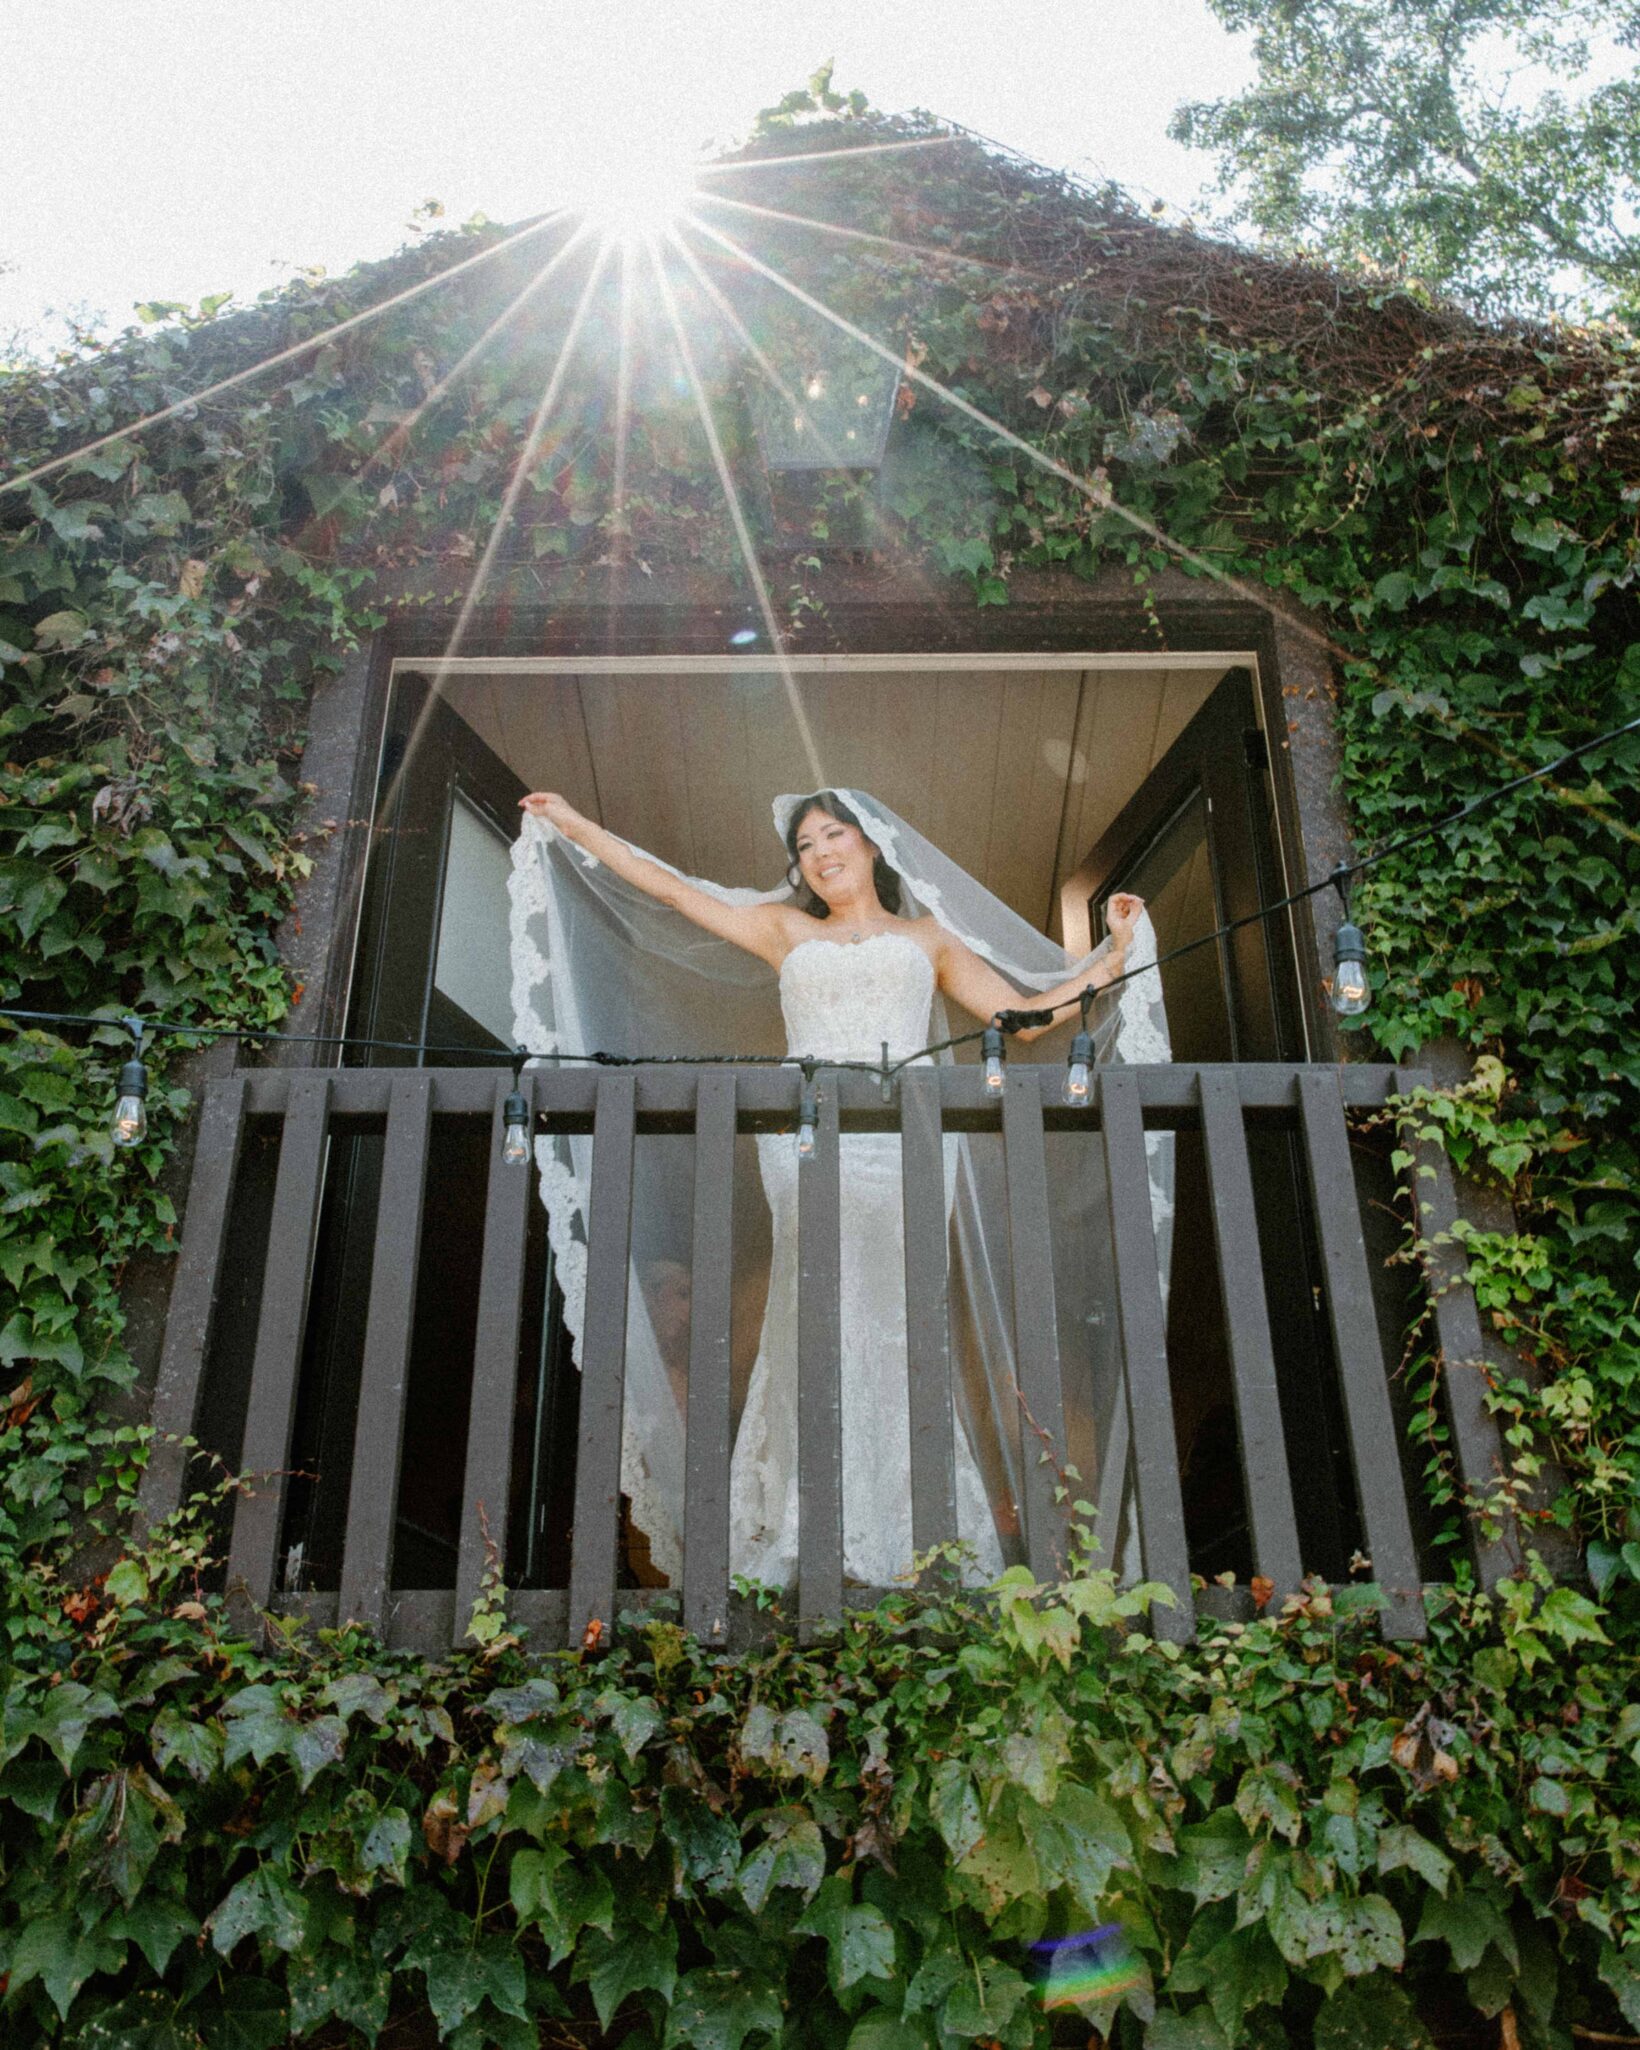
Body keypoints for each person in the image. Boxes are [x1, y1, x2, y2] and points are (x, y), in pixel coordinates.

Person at [517, 786, 1144, 1589]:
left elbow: (1020, 1016)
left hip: (909, 1148)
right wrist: (572, 823)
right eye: (806, 846)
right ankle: (804, 1527)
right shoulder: (784, 931)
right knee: (812, 1314)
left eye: (833, 834)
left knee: (900, 1320)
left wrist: (1112, 954)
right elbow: (669, 887)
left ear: (872, 844)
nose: (820, 853)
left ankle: (916, 1535)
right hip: (809, 1143)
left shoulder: (928, 937)